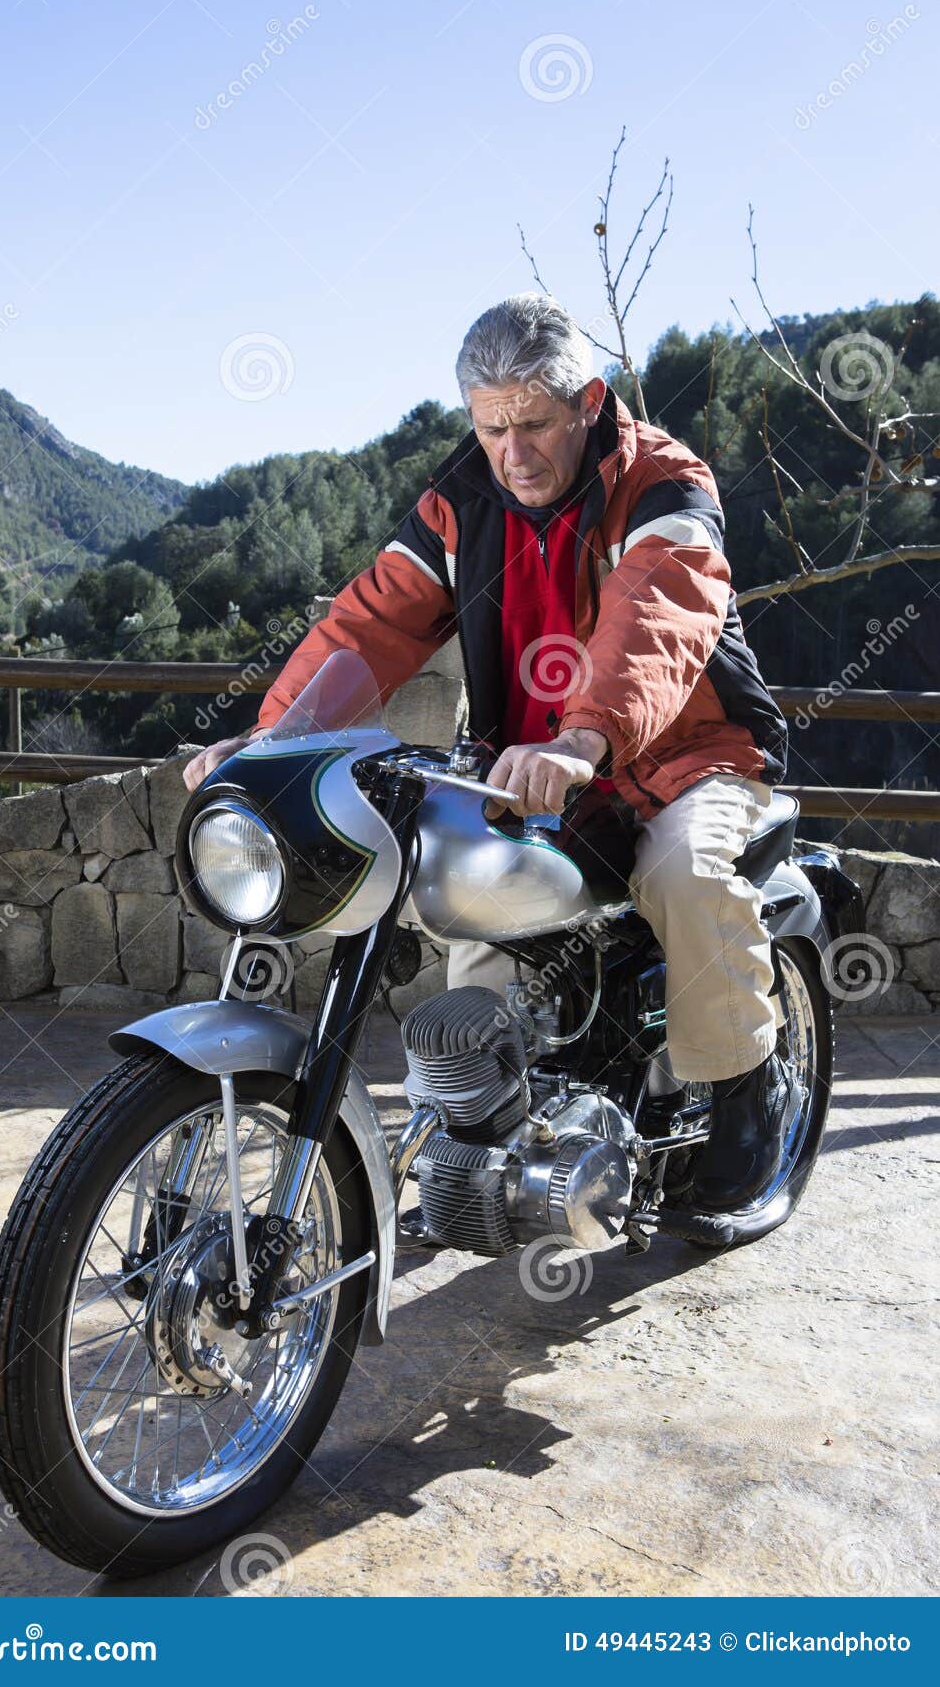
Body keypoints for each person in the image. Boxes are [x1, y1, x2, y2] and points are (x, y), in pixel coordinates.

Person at [185, 293, 795, 1214]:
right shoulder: (462, 501)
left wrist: (585, 734)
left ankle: (747, 1090)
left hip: (686, 752)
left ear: (589, 401)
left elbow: (655, 616)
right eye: (491, 427)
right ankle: (480, 1131)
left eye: (535, 424)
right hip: (529, 766)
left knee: (686, 873)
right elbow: (367, 623)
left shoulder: (665, 485)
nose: (513, 454)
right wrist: (271, 741)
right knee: (470, 899)